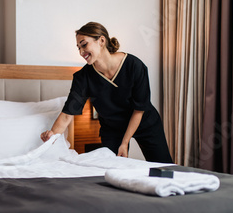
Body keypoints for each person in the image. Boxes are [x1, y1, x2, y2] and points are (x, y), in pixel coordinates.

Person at [40, 22, 173, 163]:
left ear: (101, 41)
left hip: (144, 122)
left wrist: (125, 142)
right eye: (78, 47)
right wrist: (52, 135)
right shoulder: (83, 77)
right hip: (112, 129)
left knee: (164, 168)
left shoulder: (134, 66)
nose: (81, 52)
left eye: (84, 45)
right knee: (111, 170)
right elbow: (67, 114)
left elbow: (139, 109)